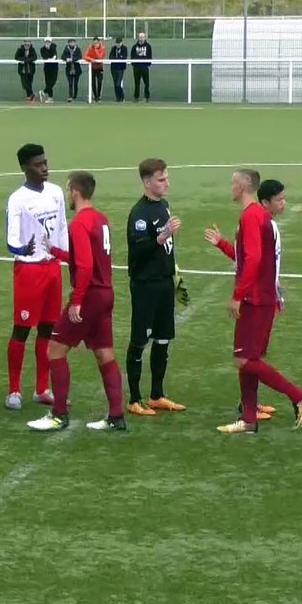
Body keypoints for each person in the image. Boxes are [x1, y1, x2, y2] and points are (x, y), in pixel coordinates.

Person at [214, 171, 302, 434]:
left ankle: (299, 395)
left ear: (243, 185)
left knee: (244, 360)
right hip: (261, 296)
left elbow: (254, 259)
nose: (231, 187)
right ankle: (249, 419)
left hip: (256, 299)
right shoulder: (258, 217)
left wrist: (238, 295)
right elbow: (251, 256)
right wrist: (223, 245)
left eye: (233, 182)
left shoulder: (252, 216)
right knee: (248, 357)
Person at [27, 171, 127, 432]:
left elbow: (84, 266)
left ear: (74, 191)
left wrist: (77, 301)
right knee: (105, 354)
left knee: (55, 350)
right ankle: (116, 416)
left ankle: (59, 414)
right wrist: (57, 251)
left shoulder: (80, 223)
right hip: (106, 293)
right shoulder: (100, 219)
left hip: (90, 296)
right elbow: (90, 259)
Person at [5, 143, 67, 411]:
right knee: (22, 329)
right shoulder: (17, 199)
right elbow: (11, 239)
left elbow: (62, 226)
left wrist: (67, 259)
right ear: (24, 168)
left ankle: (42, 388)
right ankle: (14, 390)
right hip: (29, 270)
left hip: (53, 268)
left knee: (48, 329)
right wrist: (21, 249)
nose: (44, 168)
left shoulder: (56, 193)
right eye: (38, 164)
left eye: (45, 162)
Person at [125, 158, 186, 416]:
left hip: (164, 283)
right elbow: (137, 251)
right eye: (161, 179)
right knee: (140, 341)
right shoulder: (139, 214)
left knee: (163, 339)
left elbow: (169, 249)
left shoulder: (164, 205)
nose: (166, 183)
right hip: (145, 285)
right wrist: (160, 237)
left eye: (167, 178)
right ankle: (134, 398)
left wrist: (177, 278)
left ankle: (156, 395)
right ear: (147, 182)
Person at [131, 32, 152, 102]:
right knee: (137, 83)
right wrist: (134, 65)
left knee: (146, 83)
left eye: (143, 37)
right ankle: (136, 97)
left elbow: (150, 56)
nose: (141, 39)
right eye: (140, 37)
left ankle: (147, 97)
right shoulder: (134, 47)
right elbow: (132, 56)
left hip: (145, 67)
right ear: (138, 38)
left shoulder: (148, 46)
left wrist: (148, 65)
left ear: (145, 38)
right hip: (136, 68)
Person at [84, 37, 106, 102]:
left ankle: (99, 96)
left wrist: (96, 49)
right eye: (94, 43)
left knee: (99, 82)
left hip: (99, 67)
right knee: (93, 83)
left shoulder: (102, 48)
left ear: (99, 42)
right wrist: (91, 59)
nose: (95, 44)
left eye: (96, 43)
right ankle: (95, 96)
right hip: (92, 67)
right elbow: (85, 56)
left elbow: (100, 57)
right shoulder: (90, 48)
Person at [61, 38, 83, 103]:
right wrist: (66, 59)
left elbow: (80, 57)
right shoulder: (66, 49)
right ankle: (70, 96)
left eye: (73, 42)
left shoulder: (77, 49)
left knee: (75, 84)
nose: (72, 44)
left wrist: (72, 59)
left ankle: (75, 96)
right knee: (70, 83)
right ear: (68, 43)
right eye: (71, 43)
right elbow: (62, 57)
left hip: (77, 69)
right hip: (69, 69)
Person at [39, 38, 58, 103]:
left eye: (49, 42)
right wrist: (50, 57)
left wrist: (50, 50)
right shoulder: (42, 49)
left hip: (54, 66)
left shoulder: (53, 47)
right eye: (46, 42)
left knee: (53, 81)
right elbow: (45, 57)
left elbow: (55, 55)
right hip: (47, 67)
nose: (47, 43)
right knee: (48, 82)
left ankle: (43, 92)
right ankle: (50, 97)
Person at [109, 37, 128, 103]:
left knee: (118, 84)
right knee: (115, 84)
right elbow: (111, 57)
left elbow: (124, 57)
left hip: (121, 68)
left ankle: (122, 97)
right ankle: (118, 98)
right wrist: (118, 58)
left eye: (119, 43)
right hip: (113, 68)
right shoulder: (113, 48)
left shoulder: (124, 48)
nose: (117, 45)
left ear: (121, 43)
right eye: (116, 43)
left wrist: (118, 58)